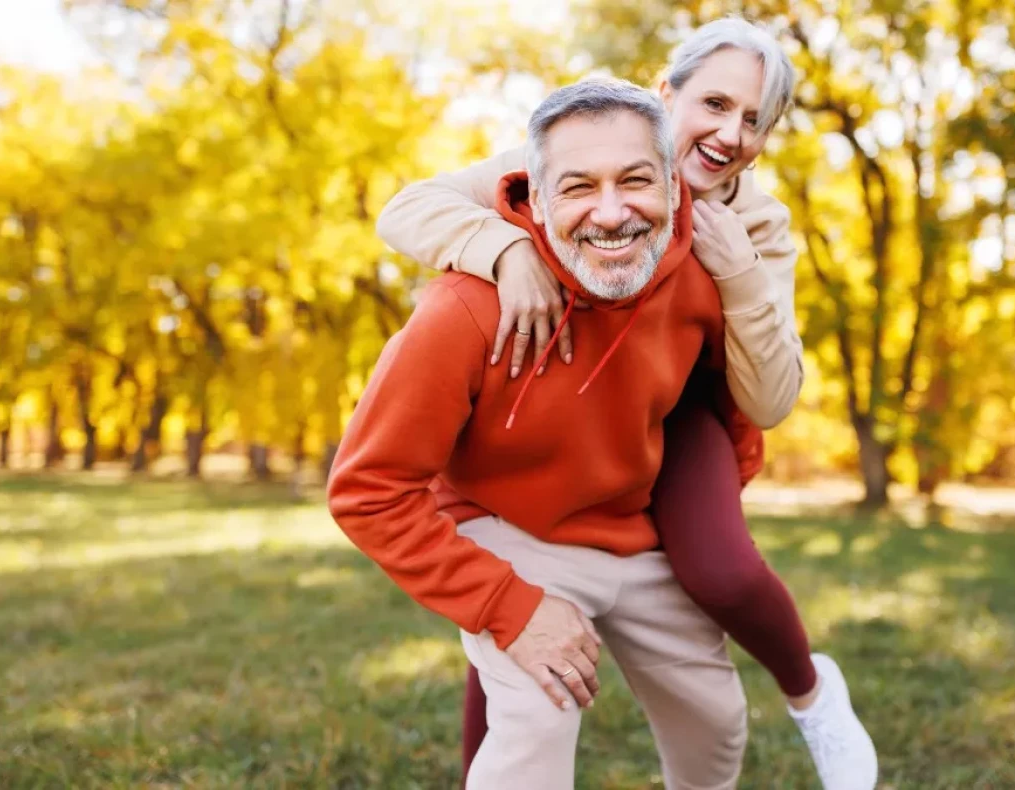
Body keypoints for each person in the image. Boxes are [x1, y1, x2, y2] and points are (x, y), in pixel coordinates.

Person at [375, 17, 876, 790]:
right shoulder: (588, 155)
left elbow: (774, 393)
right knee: (519, 599)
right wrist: (506, 251)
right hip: (563, 397)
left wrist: (738, 273)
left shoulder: (759, 224)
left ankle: (812, 694)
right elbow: (408, 210)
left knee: (721, 570)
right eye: (714, 103)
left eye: (754, 121)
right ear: (665, 93)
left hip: (683, 407)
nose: (729, 132)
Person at [330, 78, 757, 789]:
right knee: (540, 714)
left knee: (716, 719)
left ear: (676, 189)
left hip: (634, 535)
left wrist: (710, 511)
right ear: (537, 194)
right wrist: (509, 605)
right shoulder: (464, 308)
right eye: (579, 187)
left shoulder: (696, 285)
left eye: (637, 180)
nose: (613, 212)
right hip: (506, 529)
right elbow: (367, 491)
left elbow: (723, 404)